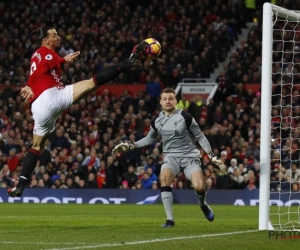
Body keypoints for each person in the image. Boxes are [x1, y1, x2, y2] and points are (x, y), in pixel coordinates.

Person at [7, 27, 147, 198]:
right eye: (54, 35)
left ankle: (20, 185)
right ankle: (126, 63)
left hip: (38, 108)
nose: (58, 37)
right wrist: (28, 84)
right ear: (45, 40)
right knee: (91, 83)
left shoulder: (40, 54)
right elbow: (39, 70)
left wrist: (63, 61)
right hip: (51, 96)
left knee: (37, 147)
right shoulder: (47, 53)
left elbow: (44, 66)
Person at [113, 87, 225, 227]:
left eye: (170, 98)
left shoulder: (186, 117)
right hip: (171, 157)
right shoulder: (157, 121)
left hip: (190, 157)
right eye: (165, 99)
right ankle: (170, 220)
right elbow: (149, 139)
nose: (168, 101)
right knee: (164, 178)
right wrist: (131, 145)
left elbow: (200, 137)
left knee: (199, 186)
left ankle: (203, 204)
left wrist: (212, 156)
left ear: (175, 101)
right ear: (160, 101)